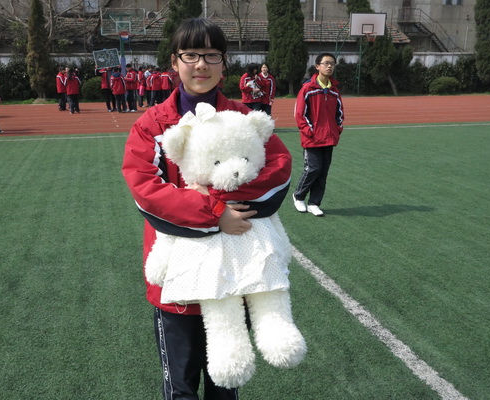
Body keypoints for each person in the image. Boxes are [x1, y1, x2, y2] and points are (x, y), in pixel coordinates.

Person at [121, 18, 292, 399]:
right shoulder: (152, 125)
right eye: (191, 55)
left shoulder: (243, 118)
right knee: (180, 387)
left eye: (212, 55)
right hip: (178, 277)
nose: (201, 64)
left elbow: (278, 168)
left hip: (235, 270)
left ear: (223, 62)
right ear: (174, 61)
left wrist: (215, 196)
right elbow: (146, 191)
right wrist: (216, 214)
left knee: (226, 383)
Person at [293, 53, 344, 217]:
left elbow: (339, 113)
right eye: (326, 63)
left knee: (323, 173)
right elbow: (300, 114)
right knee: (313, 169)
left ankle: (314, 203)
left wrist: (337, 129)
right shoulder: (308, 89)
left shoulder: (334, 91)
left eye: (332, 64)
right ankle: (299, 196)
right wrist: (310, 132)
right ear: (317, 66)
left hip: (329, 138)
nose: (329, 66)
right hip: (312, 138)